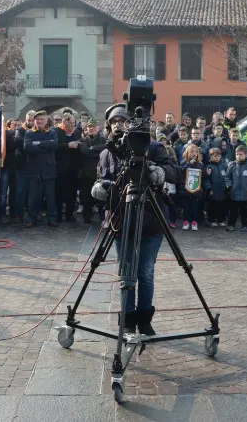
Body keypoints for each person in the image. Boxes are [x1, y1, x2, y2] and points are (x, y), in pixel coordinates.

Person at [92, 103, 180, 336]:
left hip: (152, 220)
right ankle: (128, 319)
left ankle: (145, 319)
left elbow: (174, 171)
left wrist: (159, 173)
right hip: (122, 221)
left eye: (124, 121)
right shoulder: (106, 153)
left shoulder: (153, 147)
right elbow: (102, 178)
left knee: (145, 272)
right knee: (126, 271)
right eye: (114, 122)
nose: (119, 125)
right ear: (108, 125)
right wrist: (99, 188)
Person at [23, 110, 59, 228]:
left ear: (46, 120)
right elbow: (27, 147)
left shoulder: (52, 132)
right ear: (34, 121)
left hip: (49, 169)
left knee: (50, 197)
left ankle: (52, 218)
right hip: (34, 169)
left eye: (42, 119)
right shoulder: (29, 132)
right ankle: (31, 218)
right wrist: (45, 145)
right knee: (33, 197)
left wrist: (37, 143)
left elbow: (55, 145)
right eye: (37, 119)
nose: (39, 121)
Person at [78, 119, 105, 223]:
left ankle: (103, 218)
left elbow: (105, 149)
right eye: (89, 127)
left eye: (93, 127)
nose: (91, 128)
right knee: (86, 198)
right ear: (86, 128)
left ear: (98, 128)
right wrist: (96, 151)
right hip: (86, 174)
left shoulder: (103, 139)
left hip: (100, 174)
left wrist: (93, 148)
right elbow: (85, 152)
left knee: (101, 198)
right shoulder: (83, 140)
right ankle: (87, 217)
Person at [55, 113, 81, 223]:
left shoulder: (77, 132)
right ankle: (58, 215)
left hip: (73, 169)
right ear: (63, 122)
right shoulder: (56, 131)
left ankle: (69, 214)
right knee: (58, 194)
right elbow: (54, 146)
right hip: (59, 168)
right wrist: (67, 145)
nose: (72, 125)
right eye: (69, 123)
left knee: (72, 194)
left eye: (73, 123)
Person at [225, 145, 247, 232]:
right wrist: (229, 186)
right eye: (237, 154)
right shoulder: (232, 165)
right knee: (233, 212)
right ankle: (231, 225)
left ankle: (245, 225)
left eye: (240, 154)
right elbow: (227, 177)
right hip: (234, 194)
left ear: (246, 155)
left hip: (245, 194)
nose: (238, 156)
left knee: (244, 211)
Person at [12, 110, 36, 222]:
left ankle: (33, 213)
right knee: (21, 190)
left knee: (34, 191)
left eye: (32, 120)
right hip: (22, 164)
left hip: (35, 164)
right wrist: (33, 144)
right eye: (29, 120)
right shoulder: (20, 130)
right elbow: (21, 141)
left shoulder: (38, 130)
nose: (31, 122)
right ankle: (19, 214)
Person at [180, 144, 205, 231]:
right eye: (191, 152)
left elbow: (203, 177)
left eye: (195, 152)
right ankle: (186, 221)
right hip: (185, 190)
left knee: (195, 206)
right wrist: (188, 164)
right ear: (187, 153)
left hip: (196, 190)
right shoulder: (183, 163)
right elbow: (181, 172)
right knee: (186, 206)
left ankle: (195, 222)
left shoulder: (200, 164)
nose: (194, 154)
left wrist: (207, 173)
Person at [203, 147, 227, 227]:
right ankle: (212, 220)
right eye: (215, 156)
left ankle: (220, 220)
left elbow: (227, 177)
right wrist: (209, 189)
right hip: (213, 190)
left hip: (222, 190)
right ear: (211, 157)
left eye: (218, 156)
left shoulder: (223, 166)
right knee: (212, 206)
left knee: (221, 206)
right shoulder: (209, 167)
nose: (217, 158)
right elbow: (206, 179)